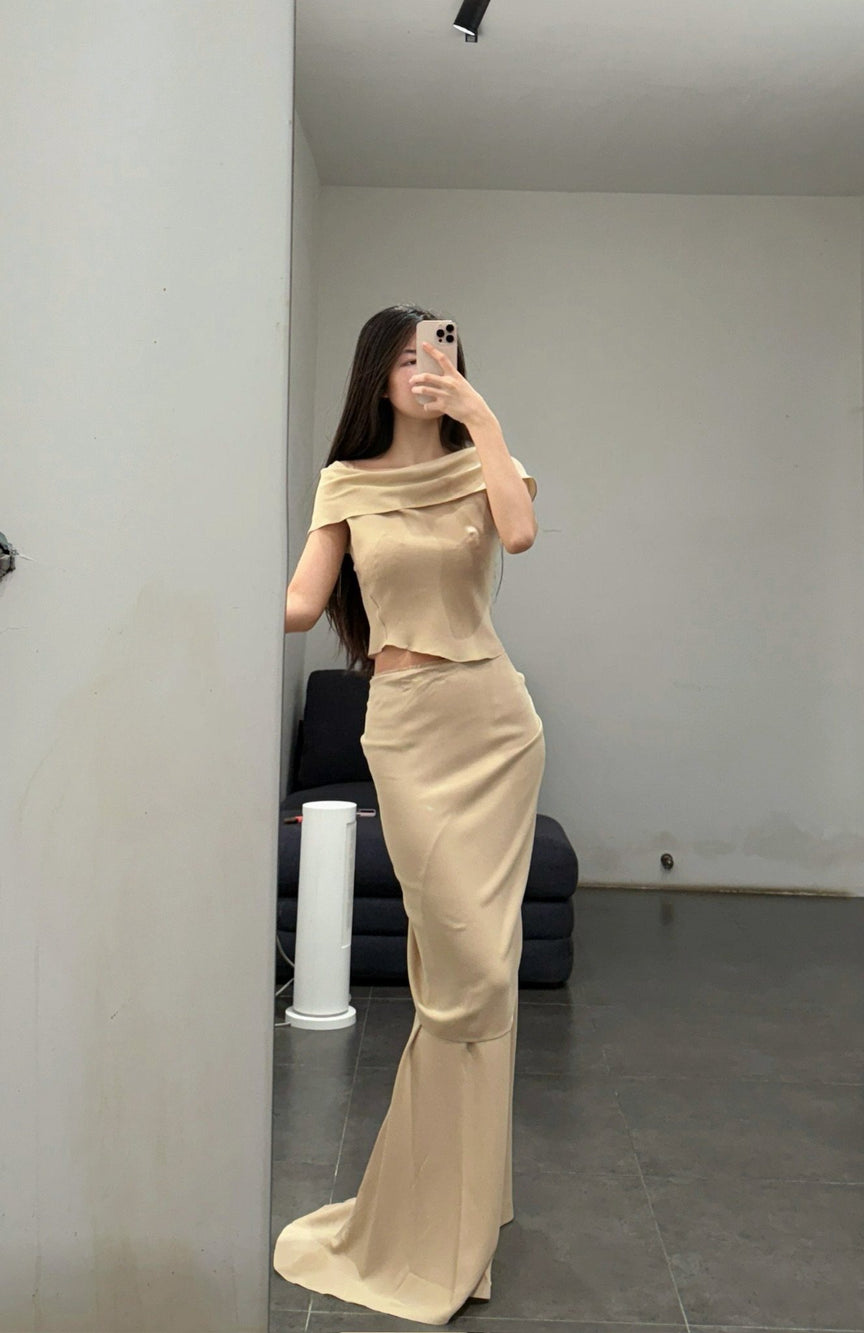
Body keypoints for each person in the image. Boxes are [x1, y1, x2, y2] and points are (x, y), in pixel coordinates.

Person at [273, 303, 545, 1324]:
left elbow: (519, 531)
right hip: (405, 726)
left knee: (486, 973)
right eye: (403, 356)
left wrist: (482, 416)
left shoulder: (484, 461)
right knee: (464, 973)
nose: (423, 366)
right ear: (375, 377)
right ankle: (424, 1213)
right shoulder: (346, 483)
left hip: (496, 723)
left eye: (439, 348)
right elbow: (303, 605)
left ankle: (461, 1212)